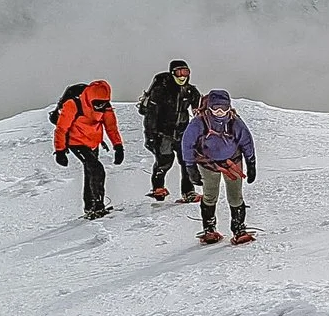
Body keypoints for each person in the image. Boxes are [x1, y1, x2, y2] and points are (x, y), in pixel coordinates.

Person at [179, 87, 258, 245]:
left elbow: (246, 141)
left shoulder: (235, 122)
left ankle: (239, 229)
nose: (220, 112)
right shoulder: (199, 123)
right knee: (210, 194)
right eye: (216, 108)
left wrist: (251, 162)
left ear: (229, 107)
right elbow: (187, 144)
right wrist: (190, 167)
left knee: (235, 196)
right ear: (209, 107)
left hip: (232, 163)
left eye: (224, 108)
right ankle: (209, 229)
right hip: (208, 164)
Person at [51, 79, 125, 219]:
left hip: (93, 142)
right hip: (76, 142)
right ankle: (97, 206)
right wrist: (60, 151)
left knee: (90, 172)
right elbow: (61, 129)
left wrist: (118, 146)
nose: (99, 106)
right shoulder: (73, 104)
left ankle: (90, 207)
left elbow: (111, 127)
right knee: (96, 169)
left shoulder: (105, 107)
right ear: (89, 98)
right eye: (97, 103)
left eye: (103, 103)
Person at [137, 60, 202, 202]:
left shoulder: (191, 91)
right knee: (164, 161)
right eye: (179, 72)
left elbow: (199, 110)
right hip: (163, 134)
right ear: (172, 73)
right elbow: (151, 116)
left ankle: (189, 192)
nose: (182, 76)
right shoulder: (160, 91)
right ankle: (158, 189)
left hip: (183, 132)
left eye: (185, 72)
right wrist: (150, 136)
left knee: (186, 161)